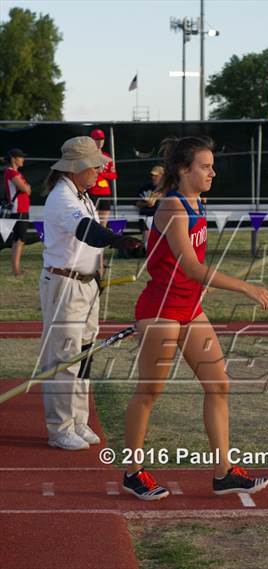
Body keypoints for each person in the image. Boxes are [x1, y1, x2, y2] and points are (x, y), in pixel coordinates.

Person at [123, 136, 268, 501]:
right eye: (204, 166)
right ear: (183, 170)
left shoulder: (197, 202)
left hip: (189, 309)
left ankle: (224, 473)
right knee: (150, 392)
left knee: (218, 385)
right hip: (161, 310)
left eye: (211, 165)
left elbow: (189, 267)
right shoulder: (173, 207)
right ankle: (133, 471)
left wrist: (205, 289)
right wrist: (243, 287)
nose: (212, 172)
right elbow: (190, 266)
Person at [39, 136, 141, 451]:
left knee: (84, 356)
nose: (99, 170)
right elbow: (86, 230)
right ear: (77, 168)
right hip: (65, 285)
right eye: (94, 165)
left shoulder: (82, 194)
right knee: (64, 359)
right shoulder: (62, 198)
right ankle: (59, 428)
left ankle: (78, 419)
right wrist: (117, 240)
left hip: (86, 284)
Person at [3, 148, 31, 275]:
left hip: (22, 209)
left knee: (18, 239)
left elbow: (27, 189)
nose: (23, 159)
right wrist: (26, 187)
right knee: (19, 239)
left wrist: (26, 188)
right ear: (14, 159)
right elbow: (24, 188)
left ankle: (16, 269)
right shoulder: (11, 173)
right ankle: (15, 270)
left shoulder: (16, 173)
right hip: (18, 209)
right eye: (21, 157)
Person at [87, 129, 117, 227]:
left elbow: (114, 176)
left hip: (106, 193)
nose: (100, 141)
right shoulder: (88, 156)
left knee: (103, 223)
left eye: (102, 139)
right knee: (93, 221)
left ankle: (102, 242)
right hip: (93, 192)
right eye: (97, 139)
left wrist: (100, 173)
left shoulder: (107, 157)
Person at [136, 165, 164, 244]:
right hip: (146, 216)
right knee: (147, 241)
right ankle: (146, 249)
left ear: (162, 176)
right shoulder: (145, 188)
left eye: (156, 176)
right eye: (152, 175)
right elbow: (138, 203)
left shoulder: (168, 188)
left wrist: (154, 199)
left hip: (162, 217)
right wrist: (146, 203)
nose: (153, 178)